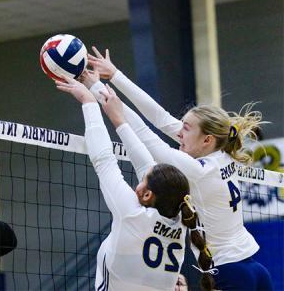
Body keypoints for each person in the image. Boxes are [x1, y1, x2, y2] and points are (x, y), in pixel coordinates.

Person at [86, 47, 274, 290]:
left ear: (206, 140)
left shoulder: (199, 170)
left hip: (230, 273)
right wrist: (114, 76)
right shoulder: (222, 154)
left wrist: (97, 92)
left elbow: (144, 134)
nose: (179, 133)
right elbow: (160, 117)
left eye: (186, 129)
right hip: (254, 268)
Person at [55, 76, 214, 290]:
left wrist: (89, 103)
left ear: (148, 195)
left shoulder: (132, 213)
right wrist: (117, 119)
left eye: (143, 181)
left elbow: (104, 160)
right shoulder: (180, 220)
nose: (139, 181)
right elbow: (146, 166)